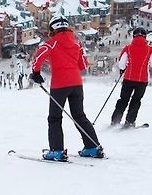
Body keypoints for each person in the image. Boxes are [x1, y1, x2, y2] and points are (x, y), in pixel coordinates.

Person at [30, 15, 104, 161]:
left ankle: (56, 151)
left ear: (53, 29)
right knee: (79, 116)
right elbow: (83, 64)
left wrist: (36, 73)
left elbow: (38, 58)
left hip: (59, 85)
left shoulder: (51, 43)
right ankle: (93, 147)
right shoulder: (77, 43)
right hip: (76, 84)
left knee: (55, 118)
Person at [111, 27, 152, 128]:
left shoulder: (128, 48)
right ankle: (129, 122)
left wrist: (123, 69)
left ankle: (115, 120)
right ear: (145, 37)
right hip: (142, 80)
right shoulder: (149, 49)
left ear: (133, 36)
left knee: (123, 99)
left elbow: (121, 64)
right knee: (136, 100)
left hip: (128, 78)